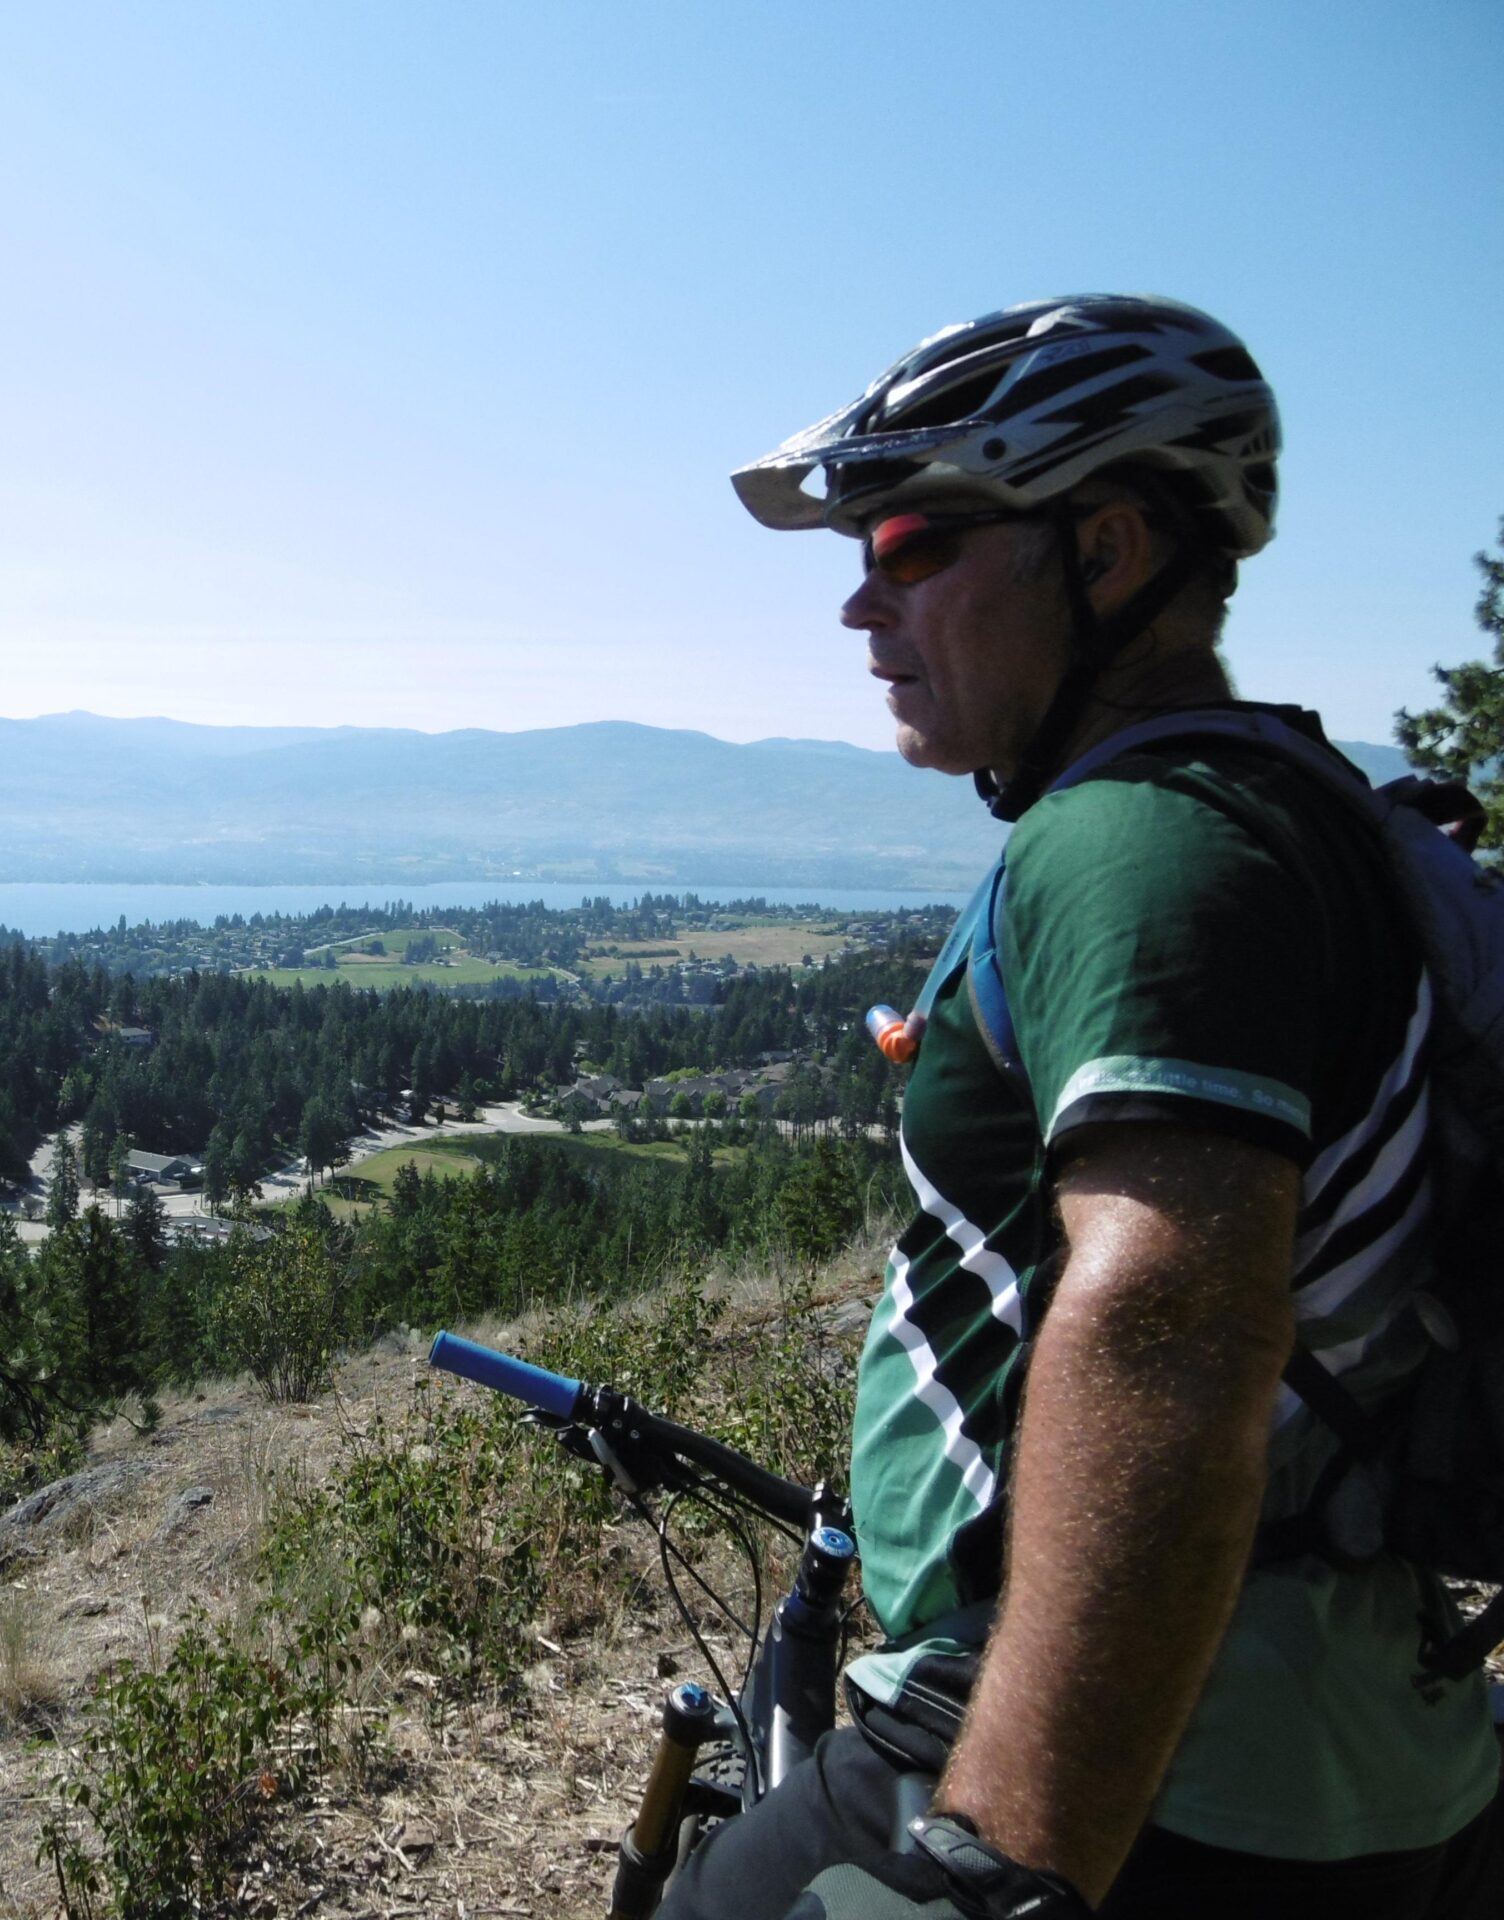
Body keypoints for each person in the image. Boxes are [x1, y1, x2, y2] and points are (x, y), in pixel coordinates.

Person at [658, 296, 1500, 1918]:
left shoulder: (1141, 840)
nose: (858, 602)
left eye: (912, 541)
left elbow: (1172, 1320)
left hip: (1142, 1763)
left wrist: (1005, 1861)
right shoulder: (1283, 808)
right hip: (1351, 1731)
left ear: (1108, 553)